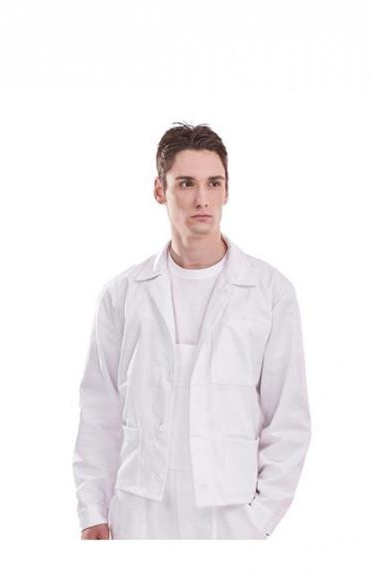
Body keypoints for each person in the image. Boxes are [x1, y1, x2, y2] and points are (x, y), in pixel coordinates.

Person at [72, 122, 312, 539]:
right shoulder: (123, 295)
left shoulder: (270, 293)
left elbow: (287, 418)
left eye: (213, 183)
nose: (202, 199)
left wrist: (258, 519)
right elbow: (99, 411)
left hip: (229, 516)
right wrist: (92, 510)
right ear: (159, 190)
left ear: (227, 190)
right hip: (140, 514)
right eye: (186, 183)